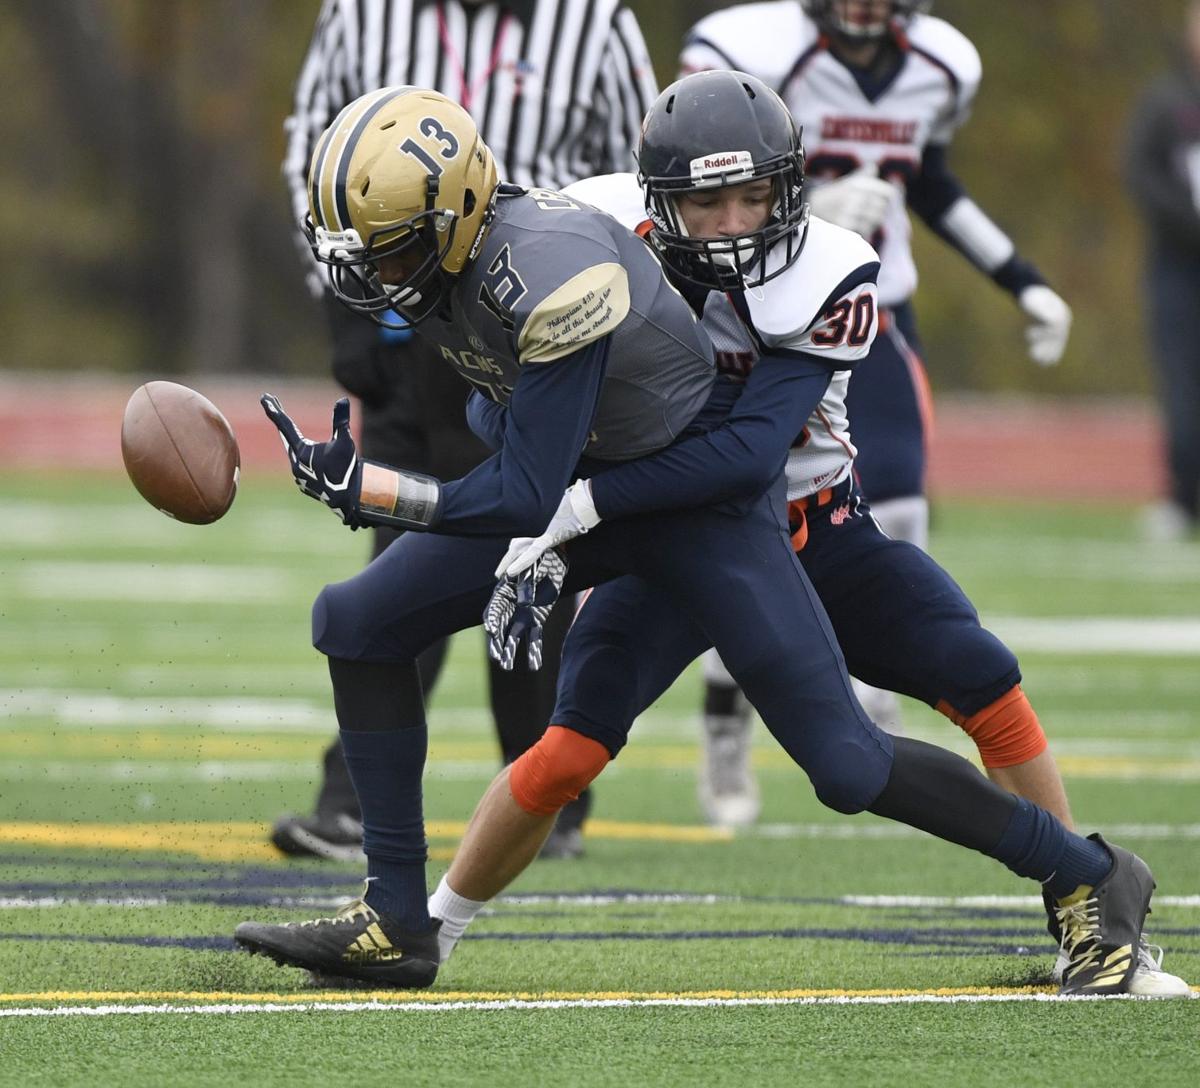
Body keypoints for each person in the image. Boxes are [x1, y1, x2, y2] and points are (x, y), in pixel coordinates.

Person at [233, 78, 1179, 999]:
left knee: (874, 743)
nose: (731, 221)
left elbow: (742, 458)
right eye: (705, 201)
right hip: (620, 508)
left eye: (751, 196)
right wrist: (557, 505)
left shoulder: (822, 274)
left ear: (788, 186)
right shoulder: (581, 228)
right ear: (654, 200)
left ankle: (1089, 876)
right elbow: (507, 410)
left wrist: (562, 515)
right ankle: (409, 923)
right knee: (380, 632)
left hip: (767, 514)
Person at [273, 0, 661, 861]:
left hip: (537, 323)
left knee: (530, 542)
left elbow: (643, 165)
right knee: (399, 550)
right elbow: (311, 139)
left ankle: (543, 788)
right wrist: (338, 305)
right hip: (402, 313)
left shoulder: (592, 20)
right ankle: (361, 801)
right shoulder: (359, 12)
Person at [676, 0, 1075, 818]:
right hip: (748, 312)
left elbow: (926, 182)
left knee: (896, 502)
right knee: (739, 516)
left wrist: (1021, 277)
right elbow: (698, 184)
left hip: (870, 309)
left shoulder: (940, 65)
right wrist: (811, 212)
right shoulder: (750, 47)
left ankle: (885, 706)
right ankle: (726, 719)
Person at [1125, 0, 1200, 542]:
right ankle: (1184, 495)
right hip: (1178, 266)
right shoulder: (1166, 101)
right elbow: (1139, 171)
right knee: (1182, 382)